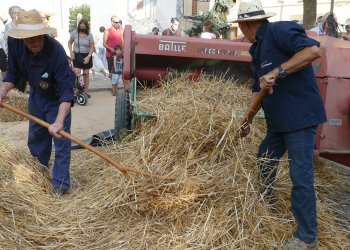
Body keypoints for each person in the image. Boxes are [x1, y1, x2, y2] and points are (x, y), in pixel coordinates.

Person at [233, 0, 326, 249]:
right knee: (265, 157)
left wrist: (278, 71)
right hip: (279, 121)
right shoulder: (257, 49)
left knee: (300, 174)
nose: (241, 31)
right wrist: (246, 119)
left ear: (245, 24)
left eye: (240, 26)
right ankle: (266, 205)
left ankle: (307, 238)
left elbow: (313, 52)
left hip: (299, 118)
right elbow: (257, 88)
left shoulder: (279, 31)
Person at [0, 9, 76, 195]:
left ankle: (60, 186)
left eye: (38, 37)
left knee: (61, 141)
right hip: (36, 97)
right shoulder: (15, 43)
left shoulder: (56, 51)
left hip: (57, 99)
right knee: (36, 139)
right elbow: (13, 73)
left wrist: (58, 121)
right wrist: (2, 91)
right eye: (29, 38)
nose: (35, 42)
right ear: (22, 37)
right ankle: (39, 177)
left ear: (44, 34)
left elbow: (66, 92)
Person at [68, 18, 94, 98]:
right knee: (77, 73)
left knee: (86, 74)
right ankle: (78, 91)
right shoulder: (75, 33)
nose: (82, 27)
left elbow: (92, 47)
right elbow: (69, 42)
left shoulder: (90, 35)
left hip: (86, 55)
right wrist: (71, 52)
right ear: (79, 26)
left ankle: (85, 92)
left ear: (86, 27)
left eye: (84, 26)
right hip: (77, 55)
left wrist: (88, 57)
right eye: (81, 26)